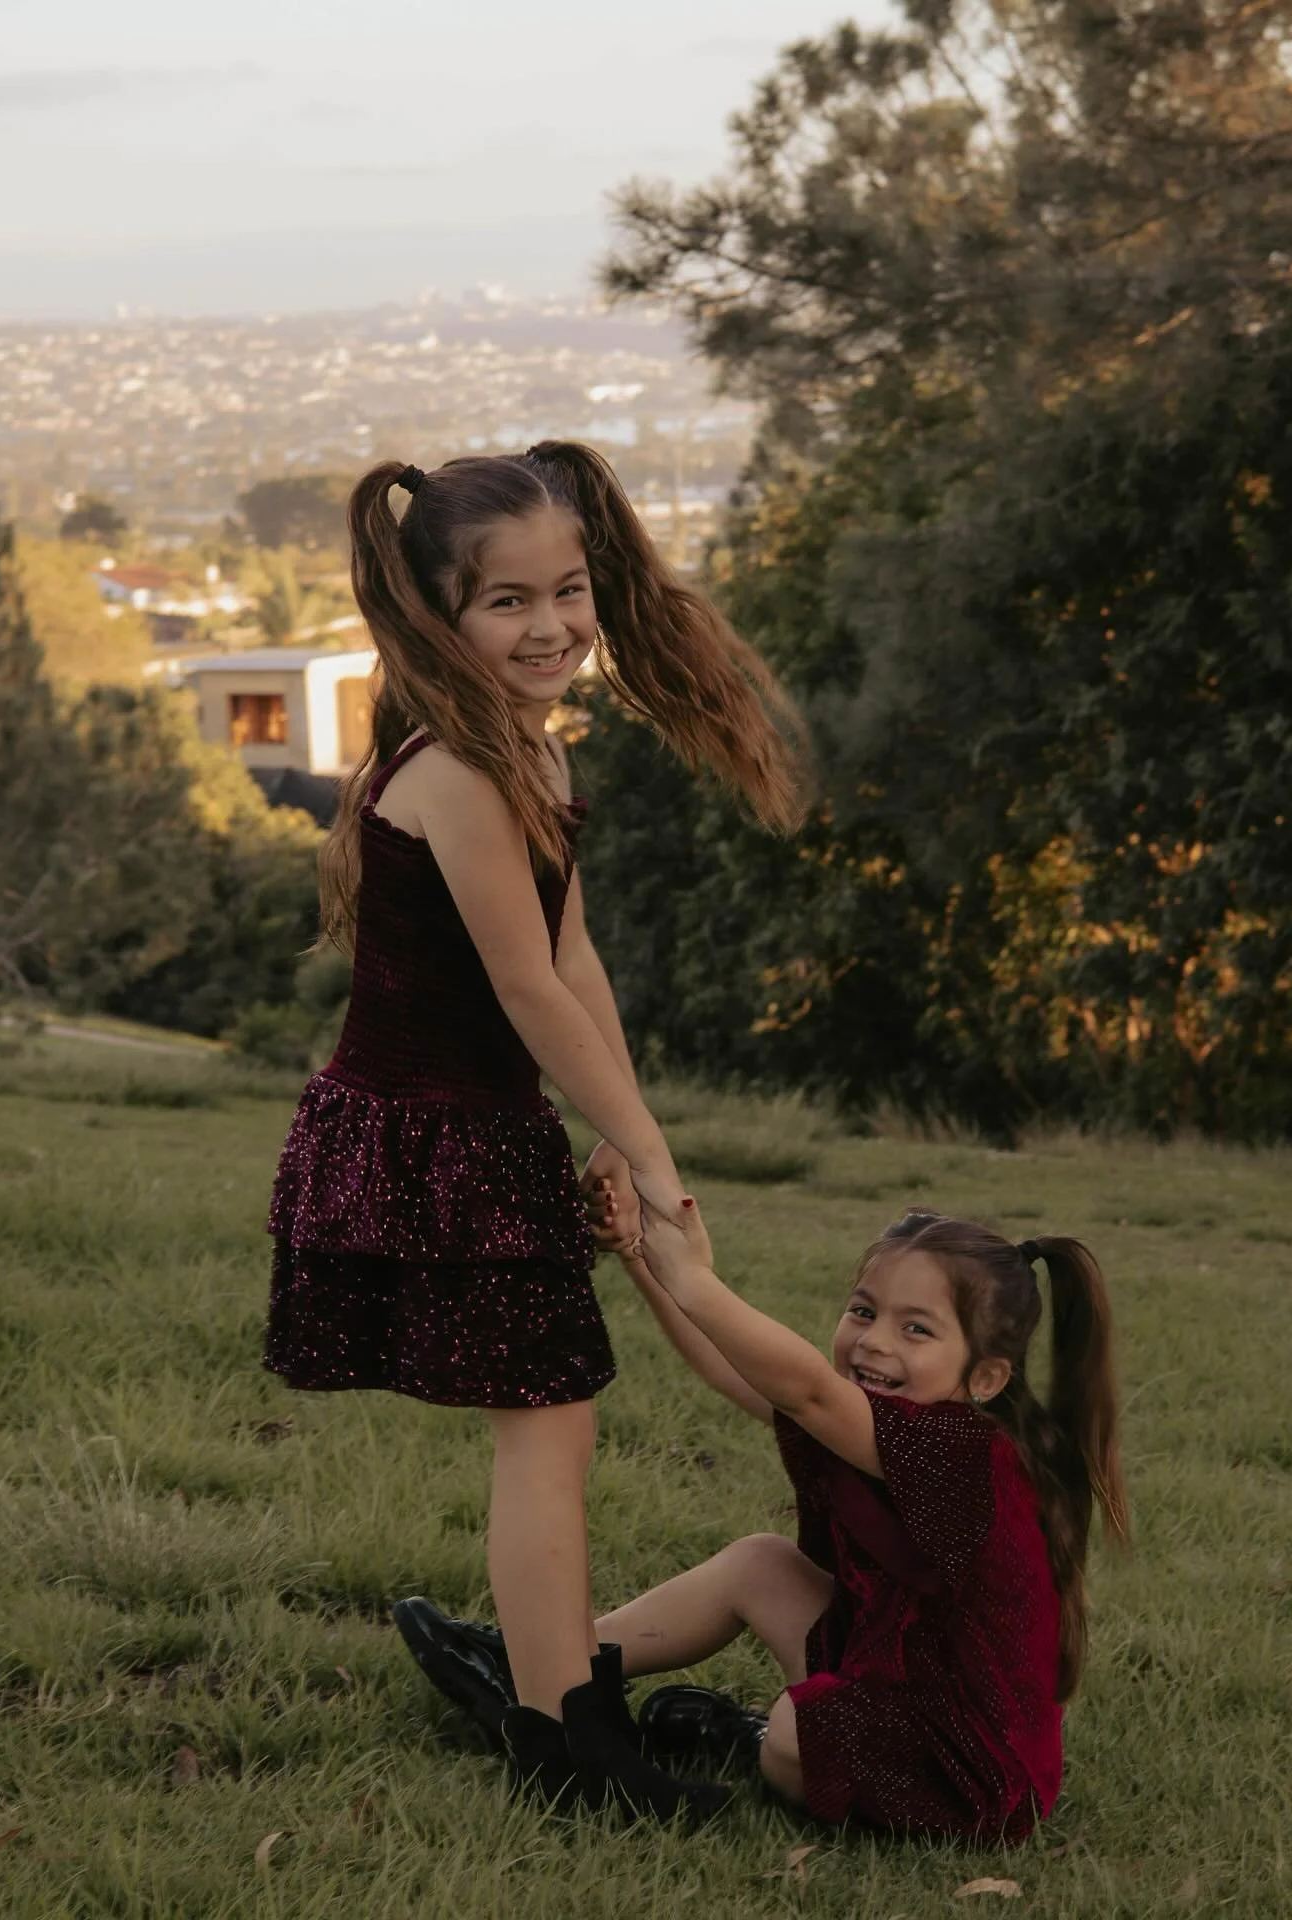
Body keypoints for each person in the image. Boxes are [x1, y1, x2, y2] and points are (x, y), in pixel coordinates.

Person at [263, 443, 802, 1822]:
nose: (551, 624)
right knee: (548, 1432)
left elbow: (576, 963)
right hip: (429, 1139)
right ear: (438, 611)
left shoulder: (530, 745)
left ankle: (558, 1694)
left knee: (553, 1429)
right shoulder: (454, 768)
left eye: (568, 590)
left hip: (486, 1129)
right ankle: (567, 1741)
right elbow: (517, 986)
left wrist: (630, 1138)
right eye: (508, 602)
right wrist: (655, 1156)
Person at [402, 1195, 1128, 1845]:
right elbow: (739, 1372)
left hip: (962, 1766)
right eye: (865, 1311)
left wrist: (695, 1278)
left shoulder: (963, 1451)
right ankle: (547, 1667)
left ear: (986, 1377)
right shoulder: (884, 1427)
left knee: (791, 1737)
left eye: (917, 1330)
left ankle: (742, 1738)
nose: (874, 1342)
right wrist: (641, 1259)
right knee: (761, 1564)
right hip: (899, 1673)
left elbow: (807, 1391)